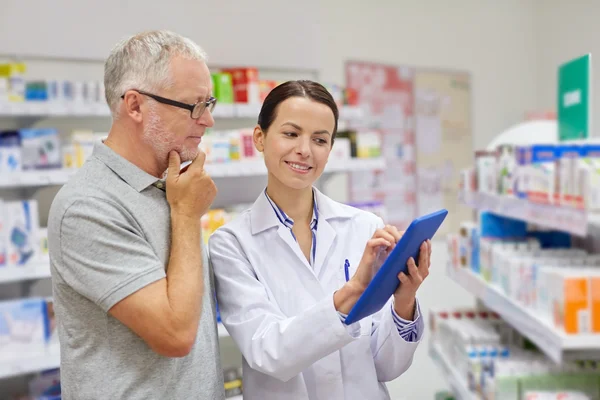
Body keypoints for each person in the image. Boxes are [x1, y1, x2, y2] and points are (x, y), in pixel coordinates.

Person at [208, 80, 432, 400]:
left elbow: (386, 367)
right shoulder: (231, 244)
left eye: (320, 139)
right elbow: (268, 352)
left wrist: (404, 300)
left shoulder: (365, 227)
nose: (305, 150)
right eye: (290, 133)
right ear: (260, 137)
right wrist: (353, 291)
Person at [48, 30, 225, 400]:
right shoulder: (89, 206)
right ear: (135, 106)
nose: (207, 120)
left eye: (208, 103)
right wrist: (188, 216)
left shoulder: (172, 189)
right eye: (193, 106)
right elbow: (175, 335)